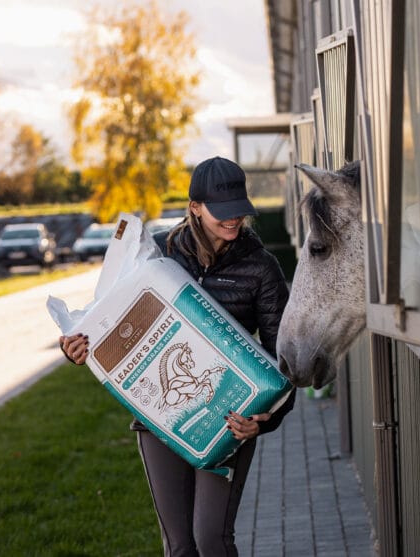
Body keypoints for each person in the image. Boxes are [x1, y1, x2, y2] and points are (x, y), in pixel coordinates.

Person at [60, 155, 295, 556]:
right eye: (222, 211)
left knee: (211, 539)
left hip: (227, 421)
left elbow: (283, 360)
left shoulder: (262, 269)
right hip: (158, 421)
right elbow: (107, 319)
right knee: (180, 546)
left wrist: (266, 421)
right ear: (194, 207)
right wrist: (77, 347)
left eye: (239, 209)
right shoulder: (155, 255)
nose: (233, 219)